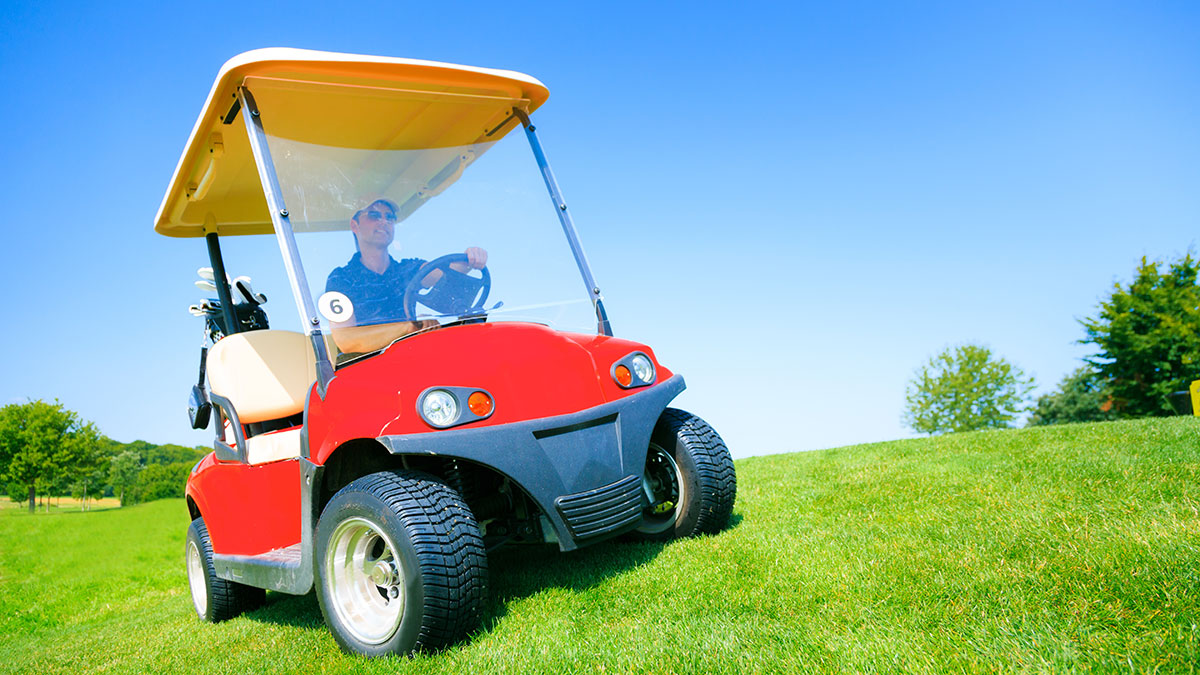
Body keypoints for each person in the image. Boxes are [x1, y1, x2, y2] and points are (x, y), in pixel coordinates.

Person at [325, 199, 487, 354]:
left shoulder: (407, 269)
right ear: (355, 225)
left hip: (410, 358)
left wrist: (470, 259)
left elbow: (447, 273)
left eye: (389, 217)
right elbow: (345, 340)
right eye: (374, 215)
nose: (384, 221)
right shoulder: (341, 279)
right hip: (363, 370)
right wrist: (407, 327)